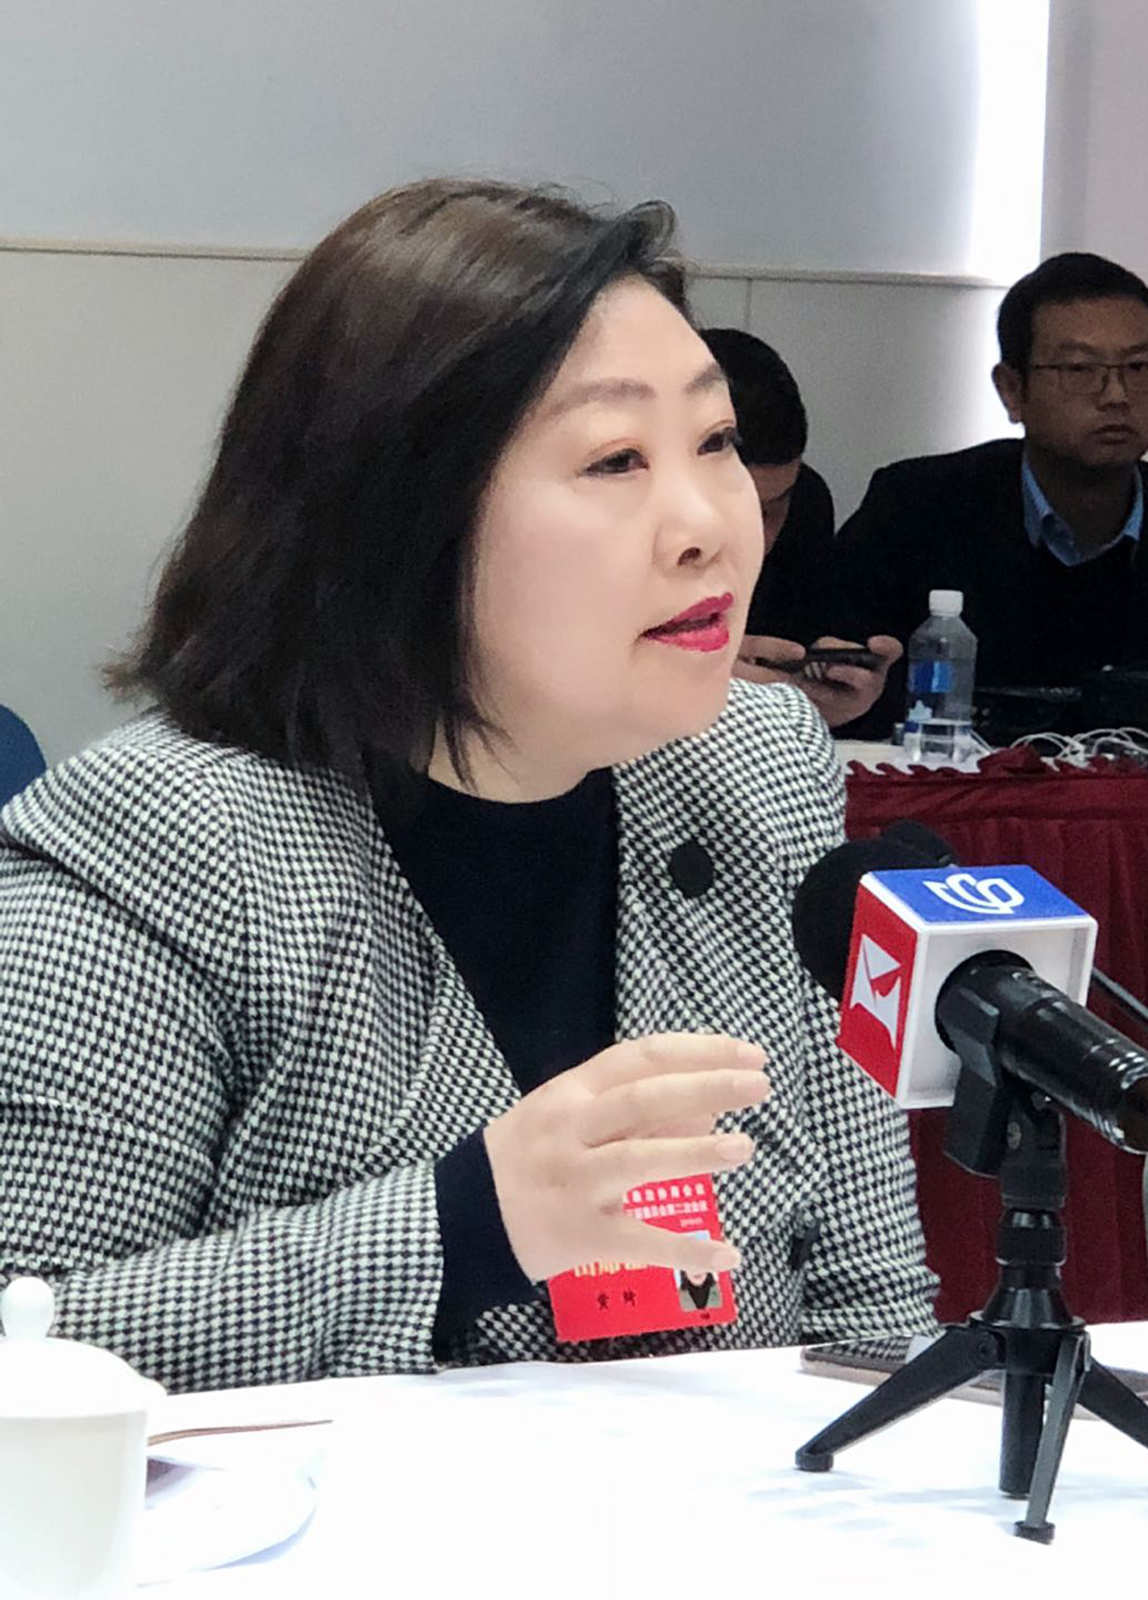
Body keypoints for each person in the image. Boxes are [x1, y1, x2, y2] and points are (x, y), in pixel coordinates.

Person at [0, 180, 935, 1393]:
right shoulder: (167, 837)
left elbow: (869, 1309)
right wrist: (465, 1226)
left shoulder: (757, 768)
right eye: (615, 459)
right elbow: (27, 1352)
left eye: (714, 444)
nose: (708, 526)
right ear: (398, 516)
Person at [825, 252, 1148, 738]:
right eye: (1080, 369)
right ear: (1011, 390)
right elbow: (837, 688)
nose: (1117, 395)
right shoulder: (913, 510)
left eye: (1139, 366)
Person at [699, 328, 901, 727]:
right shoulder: (601, 519)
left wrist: (822, 701)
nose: (755, 539)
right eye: (729, 508)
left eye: (771, 511)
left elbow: (795, 654)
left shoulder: (806, 506)